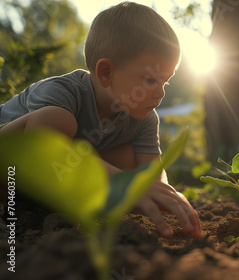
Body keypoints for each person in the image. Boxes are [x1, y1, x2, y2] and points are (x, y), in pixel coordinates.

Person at [0, 2, 201, 239]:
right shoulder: (62, 91)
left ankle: (53, 212)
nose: (161, 93)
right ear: (106, 72)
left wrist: (168, 197)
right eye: (150, 80)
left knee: (131, 160)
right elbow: (44, 152)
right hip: (11, 172)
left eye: (164, 82)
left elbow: (151, 176)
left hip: (44, 192)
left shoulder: (144, 118)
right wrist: (126, 184)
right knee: (56, 121)